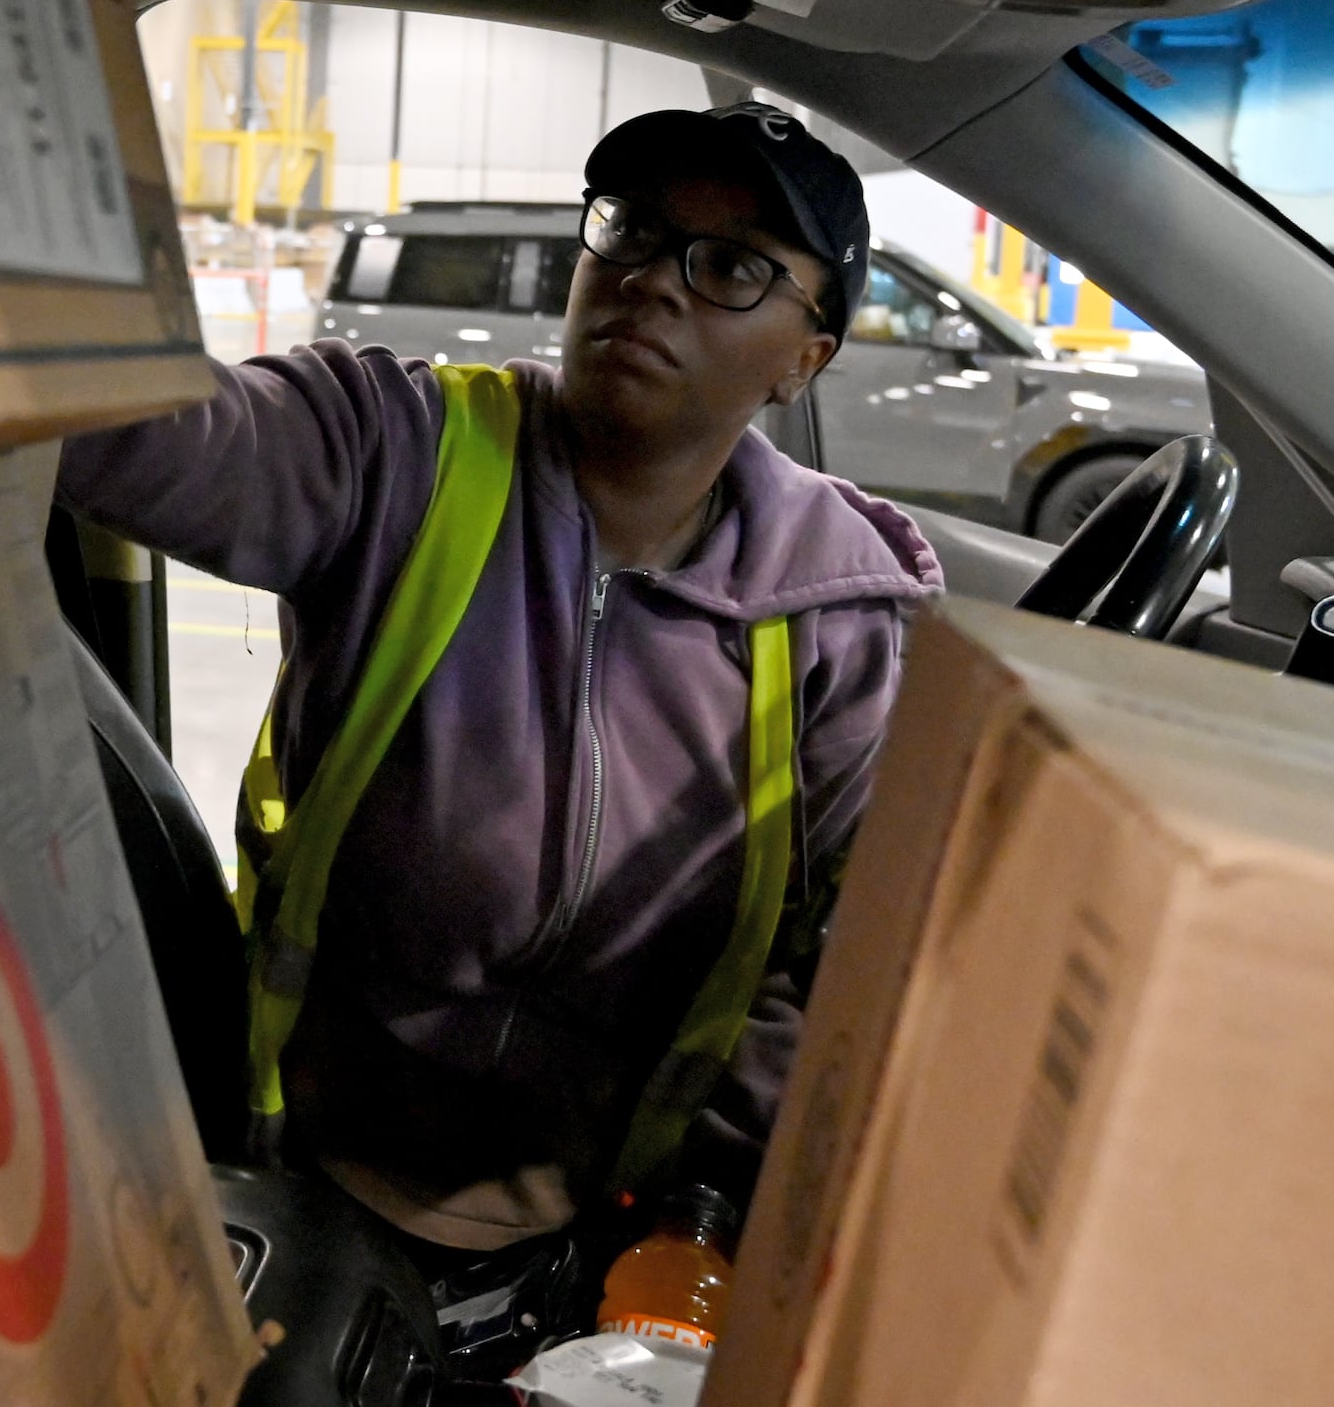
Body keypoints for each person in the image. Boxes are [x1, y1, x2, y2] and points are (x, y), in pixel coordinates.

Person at [57, 101, 939, 1361]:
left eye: (732, 265)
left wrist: (708, 1208)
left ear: (808, 355)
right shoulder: (399, 452)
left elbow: (848, 957)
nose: (647, 282)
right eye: (630, 230)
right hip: (294, 1186)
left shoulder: (842, 619)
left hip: (605, 1248)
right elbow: (150, 435)